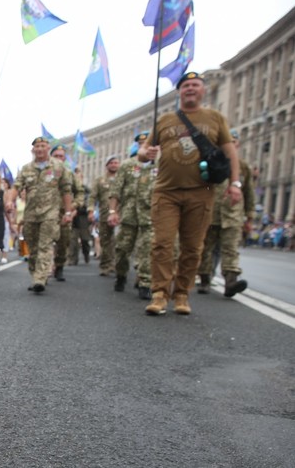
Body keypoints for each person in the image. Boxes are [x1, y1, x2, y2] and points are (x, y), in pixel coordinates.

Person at [145, 71, 242, 315]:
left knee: (192, 247)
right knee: (162, 244)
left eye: (195, 85)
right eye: (186, 85)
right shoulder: (165, 119)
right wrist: (144, 153)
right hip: (166, 191)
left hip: (202, 192)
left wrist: (235, 184)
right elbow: (145, 148)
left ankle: (181, 295)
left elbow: (230, 153)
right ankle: (159, 294)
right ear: (179, 92)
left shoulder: (214, 118)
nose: (190, 88)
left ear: (203, 90)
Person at [5, 137, 73, 293]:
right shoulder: (27, 168)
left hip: (51, 213)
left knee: (45, 245)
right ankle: (36, 274)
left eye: (43, 146)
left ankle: (40, 278)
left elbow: (66, 191)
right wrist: (10, 201)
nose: (40, 149)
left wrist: (68, 212)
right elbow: (16, 186)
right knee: (33, 248)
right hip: (31, 214)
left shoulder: (58, 167)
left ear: (48, 147)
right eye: (37, 146)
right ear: (33, 149)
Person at [197, 128, 255, 298]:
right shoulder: (211, 161)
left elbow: (249, 192)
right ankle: (205, 279)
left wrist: (249, 217)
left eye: (234, 142)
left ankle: (231, 281)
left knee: (230, 249)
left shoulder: (243, 167)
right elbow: (203, 186)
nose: (231, 145)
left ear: (237, 145)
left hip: (233, 214)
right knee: (206, 249)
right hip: (211, 214)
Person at [108, 132, 157, 300]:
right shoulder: (127, 165)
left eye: (148, 143)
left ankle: (145, 283)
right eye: (142, 144)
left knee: (147, 250)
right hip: (128, 215)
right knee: (122, 250)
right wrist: (113, 211)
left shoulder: (159, 165)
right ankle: (121, 275)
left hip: (150, 216)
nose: (146, 146)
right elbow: (116, 190)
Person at [48, 145, 84, 282]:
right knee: (46, 242)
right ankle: (45, 268)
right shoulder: (46, 172)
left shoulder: (70, 174)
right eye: (55, 156)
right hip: (47, 213)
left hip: (64, 214)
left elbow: (80, 193)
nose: (58, 158)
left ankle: (59, 266)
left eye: (61, 156)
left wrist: (73, 208)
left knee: (63, 242)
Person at [88, 154, 120, 276]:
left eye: (116, 163)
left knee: (119, 241)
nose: (114, 165)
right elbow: (92, 196)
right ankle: (106, 265)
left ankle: (117, 264)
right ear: (107, 165)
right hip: (104, 215)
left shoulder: (123, 178)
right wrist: (90, 210)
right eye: (111, 163)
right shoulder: (100, 180)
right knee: (105, 241)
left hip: (121, 214)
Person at [68, 167, 91, 266]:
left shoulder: (86, 190)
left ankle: (86, 254)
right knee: (72, 239)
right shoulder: (69, 189)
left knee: (85, 239)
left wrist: (79, 207)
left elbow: (89, 202)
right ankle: (73, 259)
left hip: (83, 217)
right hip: (72, 217)